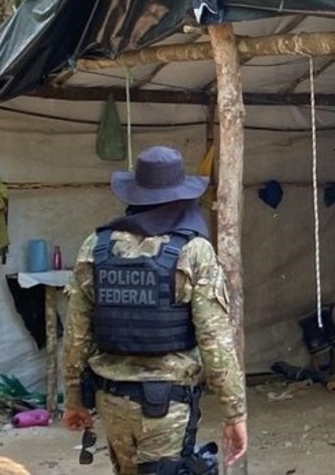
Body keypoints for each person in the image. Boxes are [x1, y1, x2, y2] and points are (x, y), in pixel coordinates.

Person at [62, 146, 248, 474]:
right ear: (181, 197)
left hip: (111, 399)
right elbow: (215, 342)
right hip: (167, 405)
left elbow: (77, 334)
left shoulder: (96, 247)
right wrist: (235, 413)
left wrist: (74, 398)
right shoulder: (194, 251)